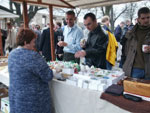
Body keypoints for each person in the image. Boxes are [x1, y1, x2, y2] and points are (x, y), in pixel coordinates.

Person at [8, 28, 53, 113]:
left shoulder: (12, 54)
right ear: (25, 43)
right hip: (33, 102)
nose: (34, 44)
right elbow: (48, 75)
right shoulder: (32, 56)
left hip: (17, 99)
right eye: (33, 41)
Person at [123, 7, 150, 79]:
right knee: (134, 89)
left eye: (148, 17)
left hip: (149, 68)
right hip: (135, 69)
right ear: (138, 19)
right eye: (143, 18)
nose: (146, 20)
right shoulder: (131, 32)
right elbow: (126, 51)